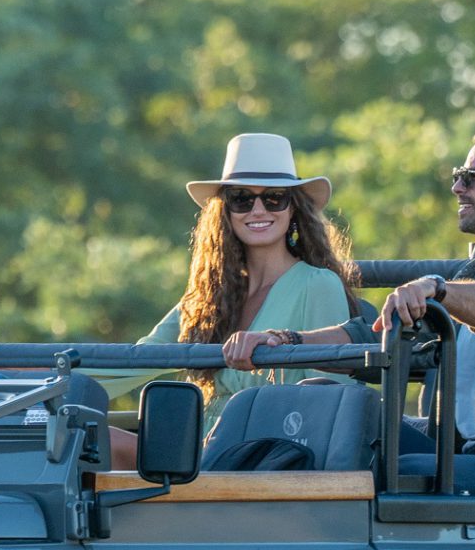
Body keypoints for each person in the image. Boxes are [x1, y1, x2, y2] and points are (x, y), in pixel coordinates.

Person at [256, 120, 475, 494]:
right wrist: (285, 341)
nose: (457, 187)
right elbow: (378, 339)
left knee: (381, 467)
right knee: (325, 400)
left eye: (472, 177)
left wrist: (435, 289)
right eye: (459, 175)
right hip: (461, 452)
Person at [100, 134, 361, 459]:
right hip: (198, 448)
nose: (258, 209)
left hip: (261, 459)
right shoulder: (211, 295)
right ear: (225, 211)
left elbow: (330, 399)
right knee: (81, 435)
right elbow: (138, 360)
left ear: (293, 207)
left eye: (274, 198)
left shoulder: (317, 285)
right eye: (241, 198)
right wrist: (43, 376)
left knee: (87, 441)